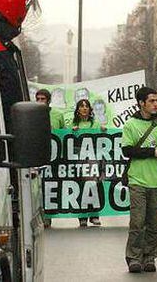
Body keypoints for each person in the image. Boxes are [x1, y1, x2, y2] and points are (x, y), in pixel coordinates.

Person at [122, 87, 157, 273]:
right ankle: (134, 257)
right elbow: (127, 150)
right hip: (138, 180)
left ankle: (149, 257)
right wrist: (152, 152)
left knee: (153, 223)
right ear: (141, 103)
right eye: (152, 101)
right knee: (137, 222)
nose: (156, 104)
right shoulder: (131, 124)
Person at [72, 99, 105, 227]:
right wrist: (71, 131)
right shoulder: (73, 123)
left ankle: (94, 215)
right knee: (81, 186)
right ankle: (82, 216)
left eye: (86, 106)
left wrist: (103, 130)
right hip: (79, 161)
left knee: (94, 185)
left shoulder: (95, 124)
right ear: (78, 109)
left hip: (93, 160)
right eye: (82, 106)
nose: (84, 108)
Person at [36, 89, 66, 228]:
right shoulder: (33, 115)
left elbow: (64, 135)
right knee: (39, 187)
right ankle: (42, 216)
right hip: (39, 156)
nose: (40, 101)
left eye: (43, 99)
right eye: (38, 99)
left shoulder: (58, 115)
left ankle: (49, 215)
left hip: (54, 157)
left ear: (48, 100)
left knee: (52, 186)